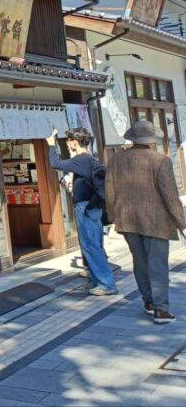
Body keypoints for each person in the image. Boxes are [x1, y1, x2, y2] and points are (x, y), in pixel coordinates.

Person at [106, 120, 186, 324]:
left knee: (139, 262)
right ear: (152, 140)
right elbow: (170, 195)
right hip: (155, 220)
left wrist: (112, 216)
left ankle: (148, 301)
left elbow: (109, 191)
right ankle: (161, 309)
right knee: (157, 265)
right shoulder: (160, 160)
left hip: (127, 219)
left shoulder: (115, 160)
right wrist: (181, 222)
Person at [46, 127, 117, 296]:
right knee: (93, 245)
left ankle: (107, 284)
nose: (67, 143)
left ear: (75, 142)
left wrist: (51, 145)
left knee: (92, 246)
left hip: (86, 208)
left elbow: (55, 164)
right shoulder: (89, 159)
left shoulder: (81, 160)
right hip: (93, 207)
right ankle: (96, 280)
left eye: (69, 140)